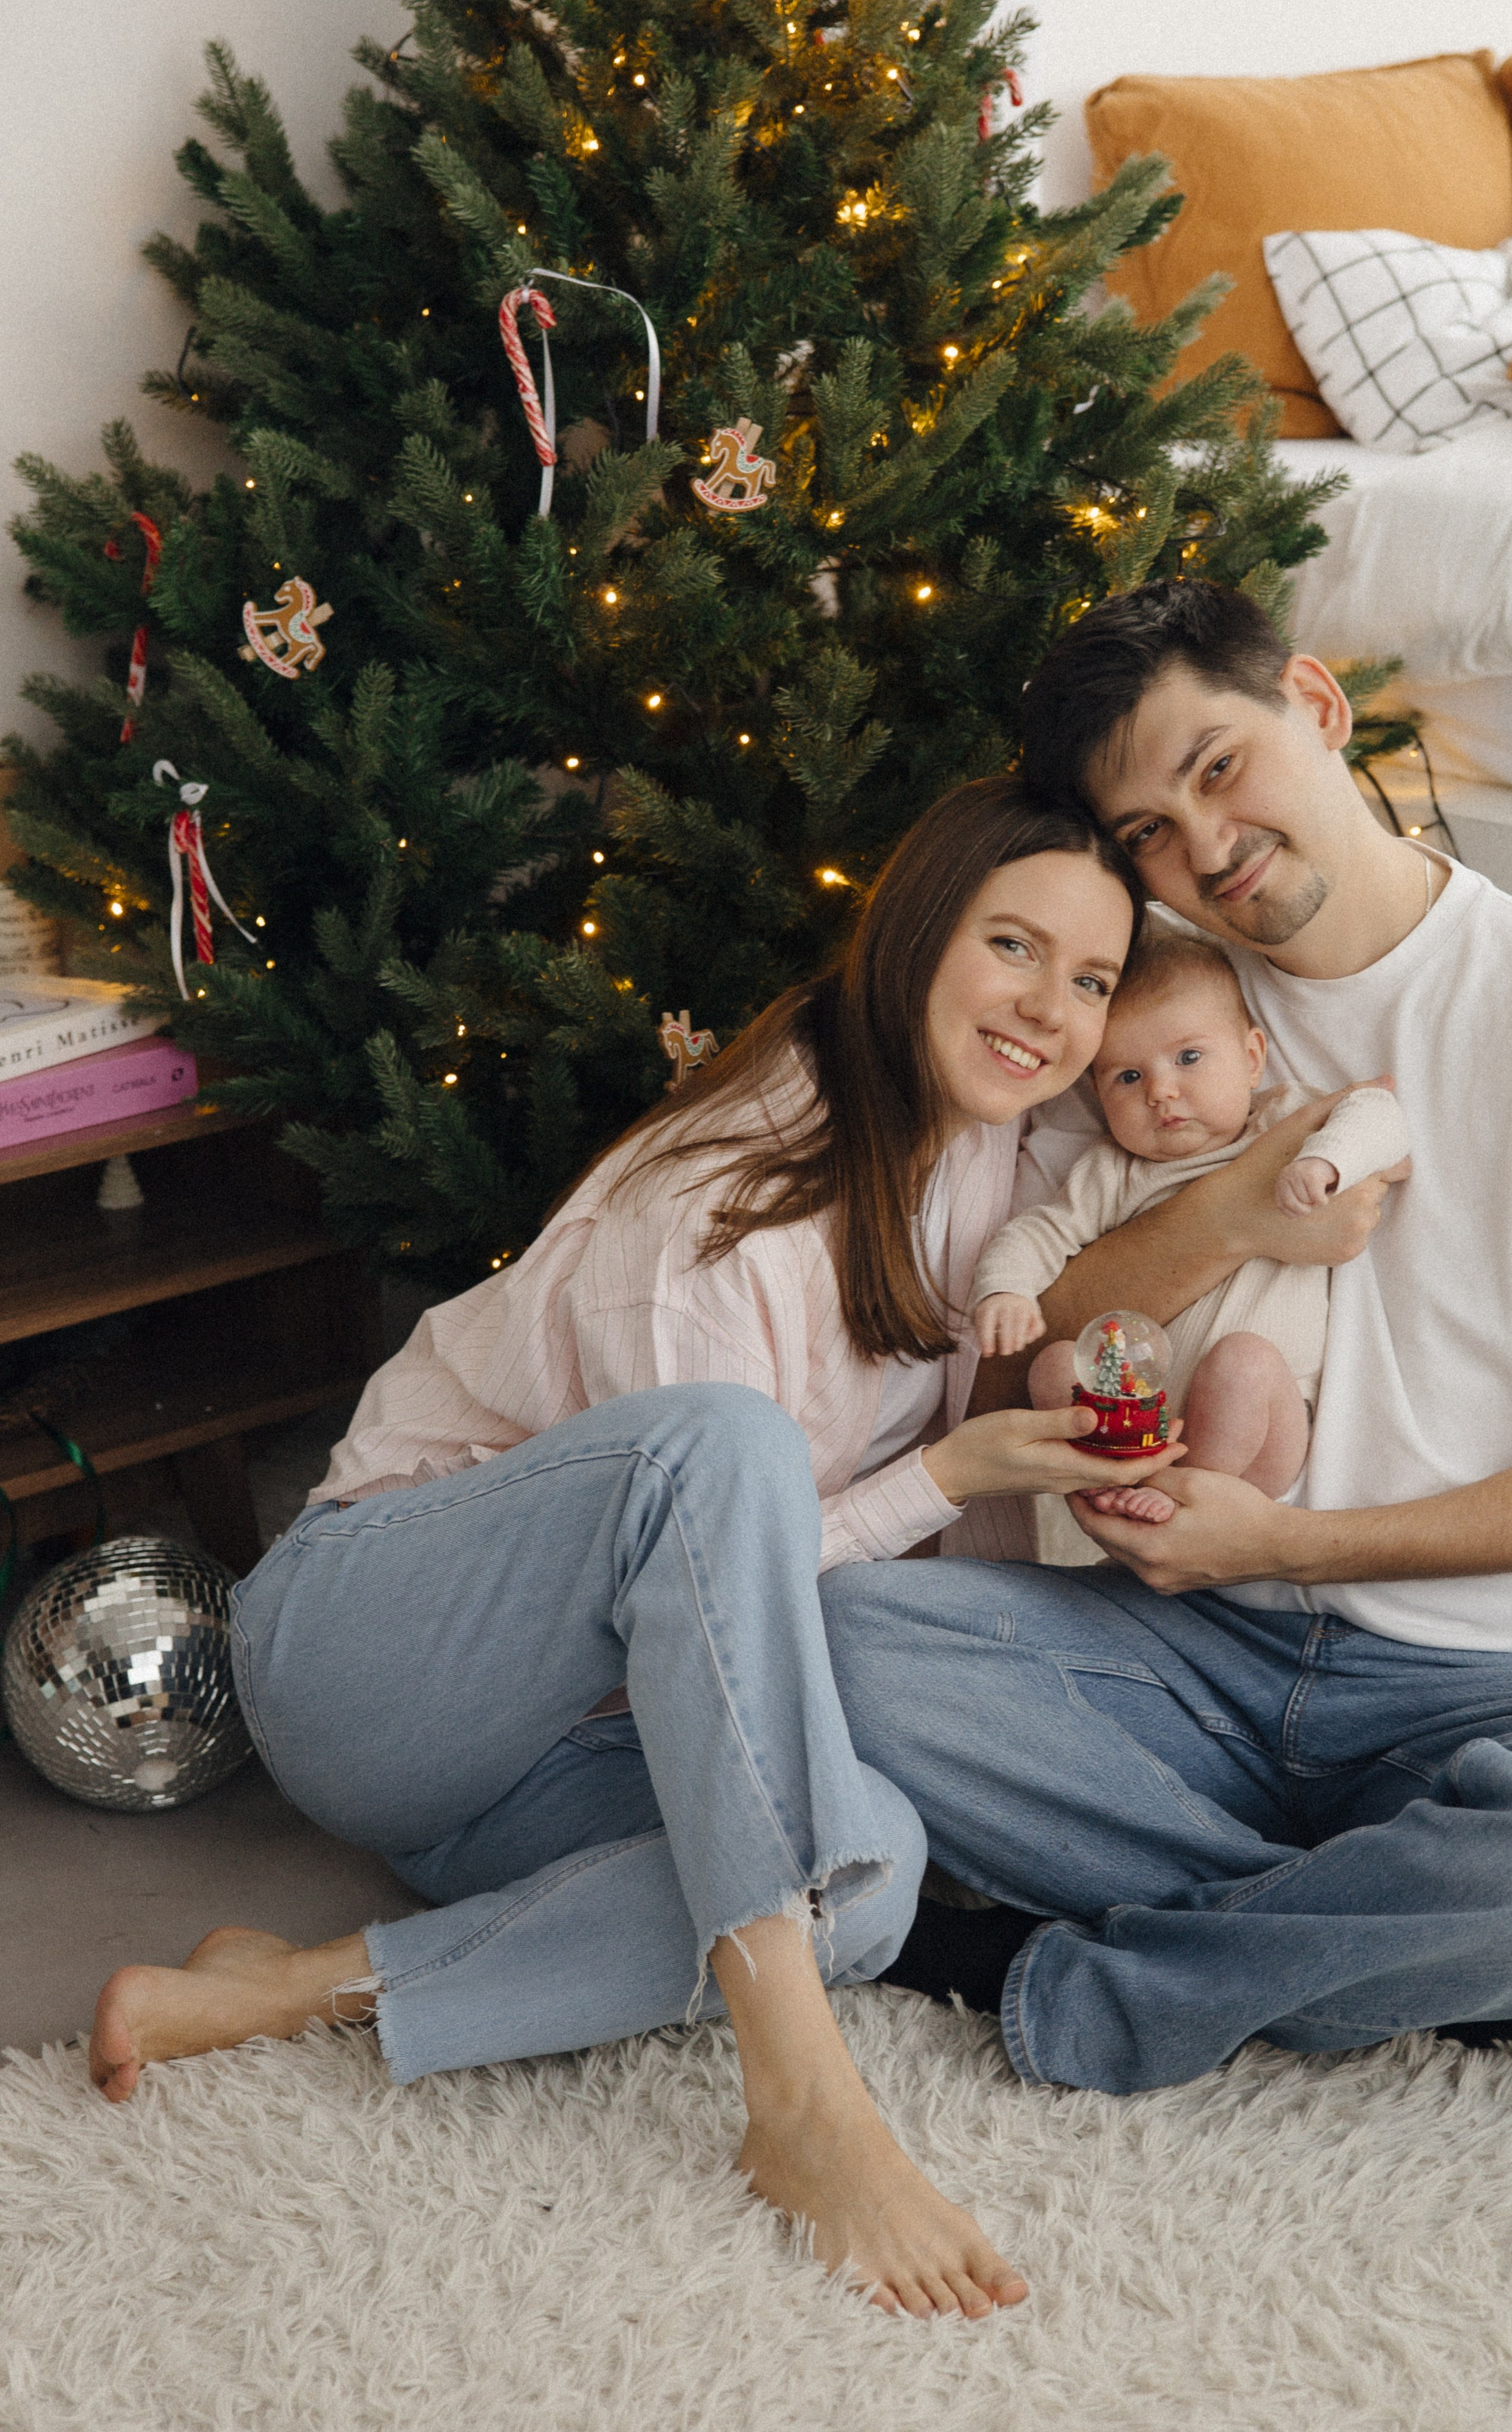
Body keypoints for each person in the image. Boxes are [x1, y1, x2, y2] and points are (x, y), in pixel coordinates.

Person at [85, 777, 1189, 2320]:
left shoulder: (981, 1171)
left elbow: (774, 1629)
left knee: (865, 1865)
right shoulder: (723, 1189)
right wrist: (935, 1472)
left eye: (1087, 979)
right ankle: (799, 2093)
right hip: (368, 1664)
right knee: (716, 1445)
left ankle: (294, 1983)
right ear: (918, 933)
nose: (1051, 1010)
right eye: (1013, 946)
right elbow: (703, 1547)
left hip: (561, 1760)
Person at [829, 578, 1512, 2101]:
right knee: (844, 1642)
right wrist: (1233, 1218)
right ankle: (1411, 1946)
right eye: (1144, 830)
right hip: (1193, 1650)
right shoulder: (1153, 1006)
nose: (1200, 848)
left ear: (1314, 710)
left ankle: (1076, 1967)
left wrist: (1286, 1539)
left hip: (1489, 1683)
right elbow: (1027, 1331)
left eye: (1214, 768)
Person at [970, 926, 1407, 1523]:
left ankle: (1188, 1491)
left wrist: (1328, 1160)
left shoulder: (1283, 1120)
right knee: (1053, 1366)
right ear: (1098, 1096)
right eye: (1128, 1077)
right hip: (1140, 1415)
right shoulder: (1113, 1169)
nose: (1162, 1092)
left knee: (1242, 1361)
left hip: (1259, 1428)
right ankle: (1114, 1468)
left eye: (1189, 1058)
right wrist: (1005, 1288)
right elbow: (1039, 1232)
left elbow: (1379, 1110)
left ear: (1252, 1059)